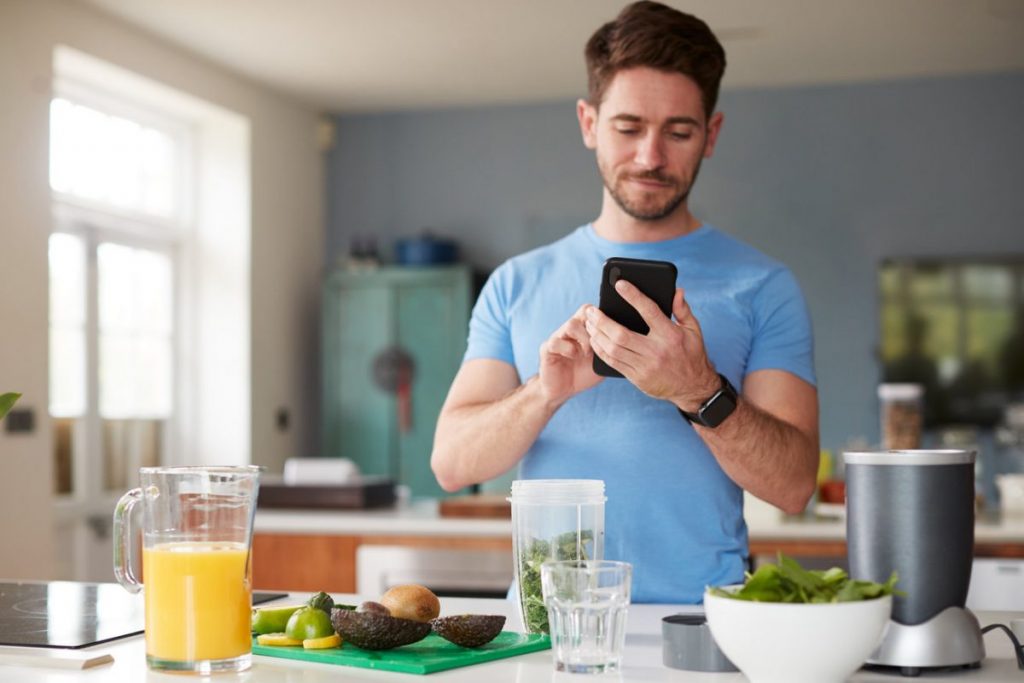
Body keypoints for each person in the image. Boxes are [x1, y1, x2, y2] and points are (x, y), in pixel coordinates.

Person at [431, 0, 819, 604]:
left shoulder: (764, 285)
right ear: (589, 123)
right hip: (545, 631)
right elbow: (452, 464)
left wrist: (697, 390)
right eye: (628, 127)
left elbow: (795, 486)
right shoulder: (515, 282)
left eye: (679, 131)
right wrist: (545, 391)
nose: (650, 157)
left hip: (702, 628)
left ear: (711, 134)